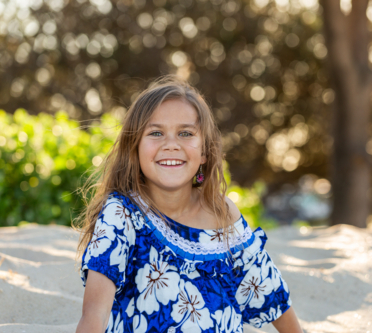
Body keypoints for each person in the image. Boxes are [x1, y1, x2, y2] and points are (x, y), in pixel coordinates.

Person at [74, 75, 300, 333]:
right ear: (134, 148)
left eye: (185, 133)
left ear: (204, 151)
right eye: (156, 133)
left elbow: (271, 295)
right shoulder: (122, 214)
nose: (171, 144)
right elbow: (94, 312)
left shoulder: (222, 213)